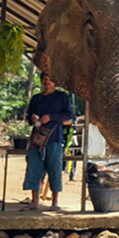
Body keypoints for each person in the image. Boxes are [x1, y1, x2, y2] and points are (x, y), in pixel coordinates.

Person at [21, 72, 72, 211]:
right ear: (41, 81)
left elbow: (69, 117)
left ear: (55, 82)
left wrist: (51, 117)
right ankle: (35, 201)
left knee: (55, 170)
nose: (47, 82)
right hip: (37, 140)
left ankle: (55, 202)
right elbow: (28, 117)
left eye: (50, 80)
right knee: (34, 169)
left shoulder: (62, 97)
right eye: (45, 80)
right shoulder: (36, 99)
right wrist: (33, 119)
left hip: (55, 139)